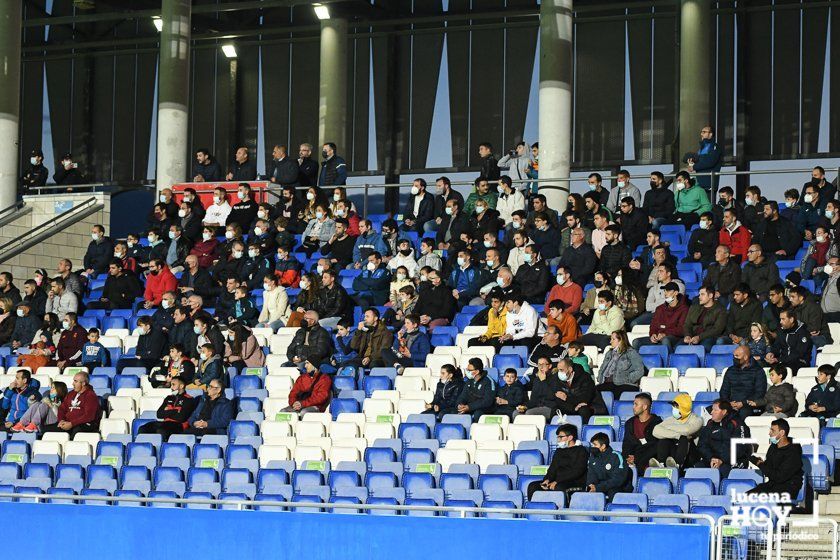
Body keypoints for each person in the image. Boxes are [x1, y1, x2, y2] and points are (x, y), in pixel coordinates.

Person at [526, 423, 589, 501]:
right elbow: (553, 468)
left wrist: (557, 481)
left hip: (574, 482)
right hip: (557, 481)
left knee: (559, 487)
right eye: (558, 437)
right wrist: (547, 479)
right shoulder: (559, 451)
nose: (558, 439)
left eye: (561, 437)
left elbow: (577, 472)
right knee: (533, 486)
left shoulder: (581, 451)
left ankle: (562, 511)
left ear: (570, 437)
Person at [747, 419, 803, 502]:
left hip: (787, 488)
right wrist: (760, 462)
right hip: (772, 485)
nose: (769, 433)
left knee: (760, 501)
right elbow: (770, 467)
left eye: (772, 430)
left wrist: (761, 465)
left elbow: (779, 477)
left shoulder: (793, 452)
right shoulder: (773, 447)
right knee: (744, 498)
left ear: (782, 433)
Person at [694, 399, 750, 478]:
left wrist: (722, 460)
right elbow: (702, 445)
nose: (711, 412)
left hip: (734, 460)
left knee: (722, 471)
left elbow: (740, 448)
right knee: (697, 469)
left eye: (715, 410)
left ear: (723, 412)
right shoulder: (710, 424)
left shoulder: (737, 424)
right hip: (713, 460)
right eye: (712, 409)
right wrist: (711, 458)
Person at [651, 393, 703, 468]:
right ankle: (661, 464)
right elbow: (655, 431)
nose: (673, 409)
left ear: (683, 408)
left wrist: (667, 428)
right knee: (664, 439)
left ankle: (678, 465)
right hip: (672, 452)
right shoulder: (670, 419)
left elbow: (687, 430)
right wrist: (677, 435)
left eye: (676, 407)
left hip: (691, 454)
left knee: (684, 438)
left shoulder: (697, 420)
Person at [632, 283, 688, 352]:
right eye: (664, 291)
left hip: (674, 337)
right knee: (636, 342)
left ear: (676, 293)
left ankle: (669, 360)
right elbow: (653, 325)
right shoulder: (660, 308)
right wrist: (653, 334)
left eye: (668, 291)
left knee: (665, 340)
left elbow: (681, 329)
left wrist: (665, 334)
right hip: (659, 337)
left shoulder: (684, 309)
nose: (665, 293)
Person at [42, 372, 100, 437]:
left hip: (83, 424)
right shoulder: (71, 394)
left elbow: (89, 416)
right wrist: (61, 420)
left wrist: (72, 424)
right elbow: (62, 409)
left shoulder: (90, 396)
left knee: (76, 431)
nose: (73, 384)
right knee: (44, 429)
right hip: (68, 422)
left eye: (75, 381)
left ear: (83, 383)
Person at [138, 375, 196, 440]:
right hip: (165, 423)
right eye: (171, 385)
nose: (171, 387)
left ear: (181, 386)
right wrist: (175, 411)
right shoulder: (169, 397)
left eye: (173, 385)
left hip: (178, 425)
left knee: (161, 431)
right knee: (143, 429)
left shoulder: (189, 399)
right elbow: (159, 414)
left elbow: (181, 418)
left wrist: (166, 412)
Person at [718, 345, 766, 422]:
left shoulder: (758, 371)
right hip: (731, 404)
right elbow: (724, 391)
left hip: (749, 406)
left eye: (737, 356)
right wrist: (728, 403)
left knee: (743, 414)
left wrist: (743, 403)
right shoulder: (730, 371)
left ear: (746, 357)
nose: (734, 358)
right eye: (734, 356)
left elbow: (760, 393)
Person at [595, 330, 646, 400]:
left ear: (621, 340)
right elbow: (602, 368)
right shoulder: (609, 353)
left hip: (623, 384)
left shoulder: (631, 353)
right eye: (611, 339)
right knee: (592, 391)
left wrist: (627, 379)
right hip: (607, 383)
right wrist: (600, 378)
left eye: (613, 339)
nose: (610, 342)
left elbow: (640, 370)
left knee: (614, 393)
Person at [586, 432, 632, 500]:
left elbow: (618, 480)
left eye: (595, 445)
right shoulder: (593, 457)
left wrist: (598, 487)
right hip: (600, 486)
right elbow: (591, 474)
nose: (593, 447)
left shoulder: (617, 456)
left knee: (613, 492)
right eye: (592, 445)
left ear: (603, 446)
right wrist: (591, 486)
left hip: (618, 487)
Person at [622, 393, 662, 469]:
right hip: (632, 461)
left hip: (650, 460)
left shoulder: (657, 423)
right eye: (633, 404)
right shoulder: (629, 423)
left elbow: (654, 445)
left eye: (636, 404)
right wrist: (628, 458)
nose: (633, 407)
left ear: (644, 407)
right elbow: (626, 444)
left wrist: (637, 457)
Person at [681, 285, 727, 352]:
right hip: (692, 336)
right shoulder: (694, 307)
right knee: (678, 347)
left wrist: (699, 337)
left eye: (702, 294)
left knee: (703, 348)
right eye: (699, 294)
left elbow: (717, 329)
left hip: (708, 337)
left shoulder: (720, 310)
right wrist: (687, 335)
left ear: (710, 295)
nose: (699, 297)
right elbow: (687, 324)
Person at [766, 308, 812, 374]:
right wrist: (771, 353)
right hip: (783, 362)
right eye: (780, 319)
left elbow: (799, 354)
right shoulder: (782, 331)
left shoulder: (802, 333)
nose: (780, 322)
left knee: (782, 370)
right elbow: (776, 346)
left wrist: (778, 360)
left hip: (799, 362)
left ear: (791, 319)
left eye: (783, 319)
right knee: (764, 366)